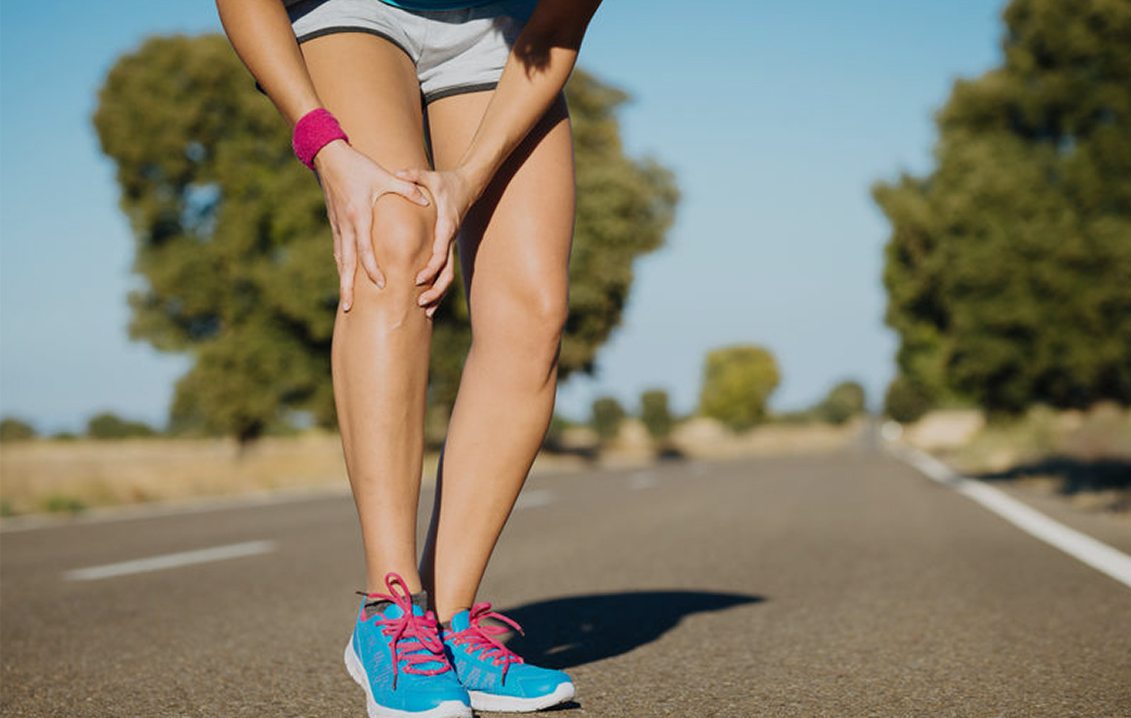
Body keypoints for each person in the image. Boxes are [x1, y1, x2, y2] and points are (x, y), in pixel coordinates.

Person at [214, 0, 602, 715]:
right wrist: (322, 143)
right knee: (394, 232)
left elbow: (555, 31)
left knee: (533, 310)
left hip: (504, 33)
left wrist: (469, 178)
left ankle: (449, 625)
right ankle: (390, 615)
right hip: (350, 12)